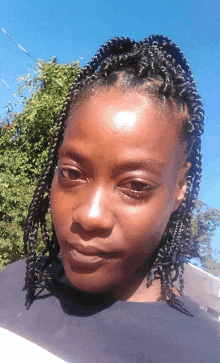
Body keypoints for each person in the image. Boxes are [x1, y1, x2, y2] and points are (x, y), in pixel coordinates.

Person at [0, 35, 219, 363]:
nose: (89, 216)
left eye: (135, 185)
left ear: (180, 186)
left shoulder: (201, 351)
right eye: (72, 173)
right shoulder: (15, 282)